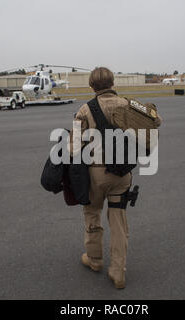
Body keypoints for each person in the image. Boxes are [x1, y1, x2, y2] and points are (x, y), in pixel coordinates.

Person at [69, 67, 160, 289]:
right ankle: (118, 272)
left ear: (92, 86)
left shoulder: (84, 109)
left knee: (92, 214)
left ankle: (95, 260)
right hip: (122, 174)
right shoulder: (129, 104)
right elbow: (155, 120)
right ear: (113, 83)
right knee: (118, 223)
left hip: (95, 176)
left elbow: (72, 148)